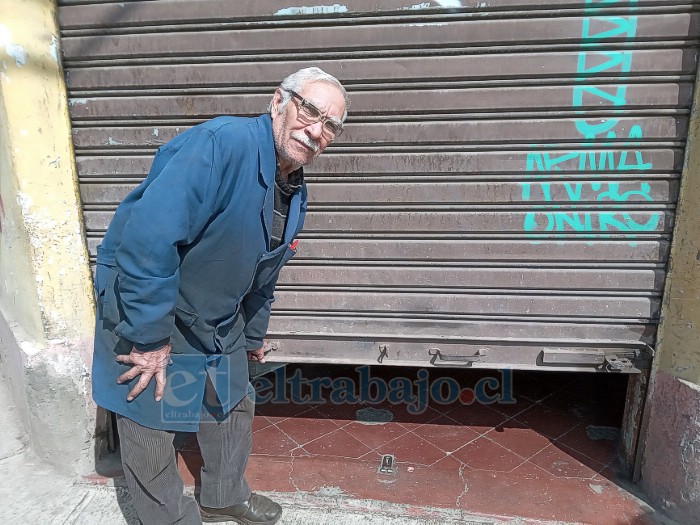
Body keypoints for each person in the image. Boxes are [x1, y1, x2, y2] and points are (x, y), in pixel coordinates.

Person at [91, 67, 349, 524]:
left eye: (331, 125)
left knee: (231, 398)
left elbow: (264, 271)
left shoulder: (292, 184)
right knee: (152, 416)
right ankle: (168, 518)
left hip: (215, 310)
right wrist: (149, 338)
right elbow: (148, 241)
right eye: (310, 110)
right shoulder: (221, 145)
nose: (316, 130)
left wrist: (251, 336)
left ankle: (222, 496)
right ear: (279, 101)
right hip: (153, 301)